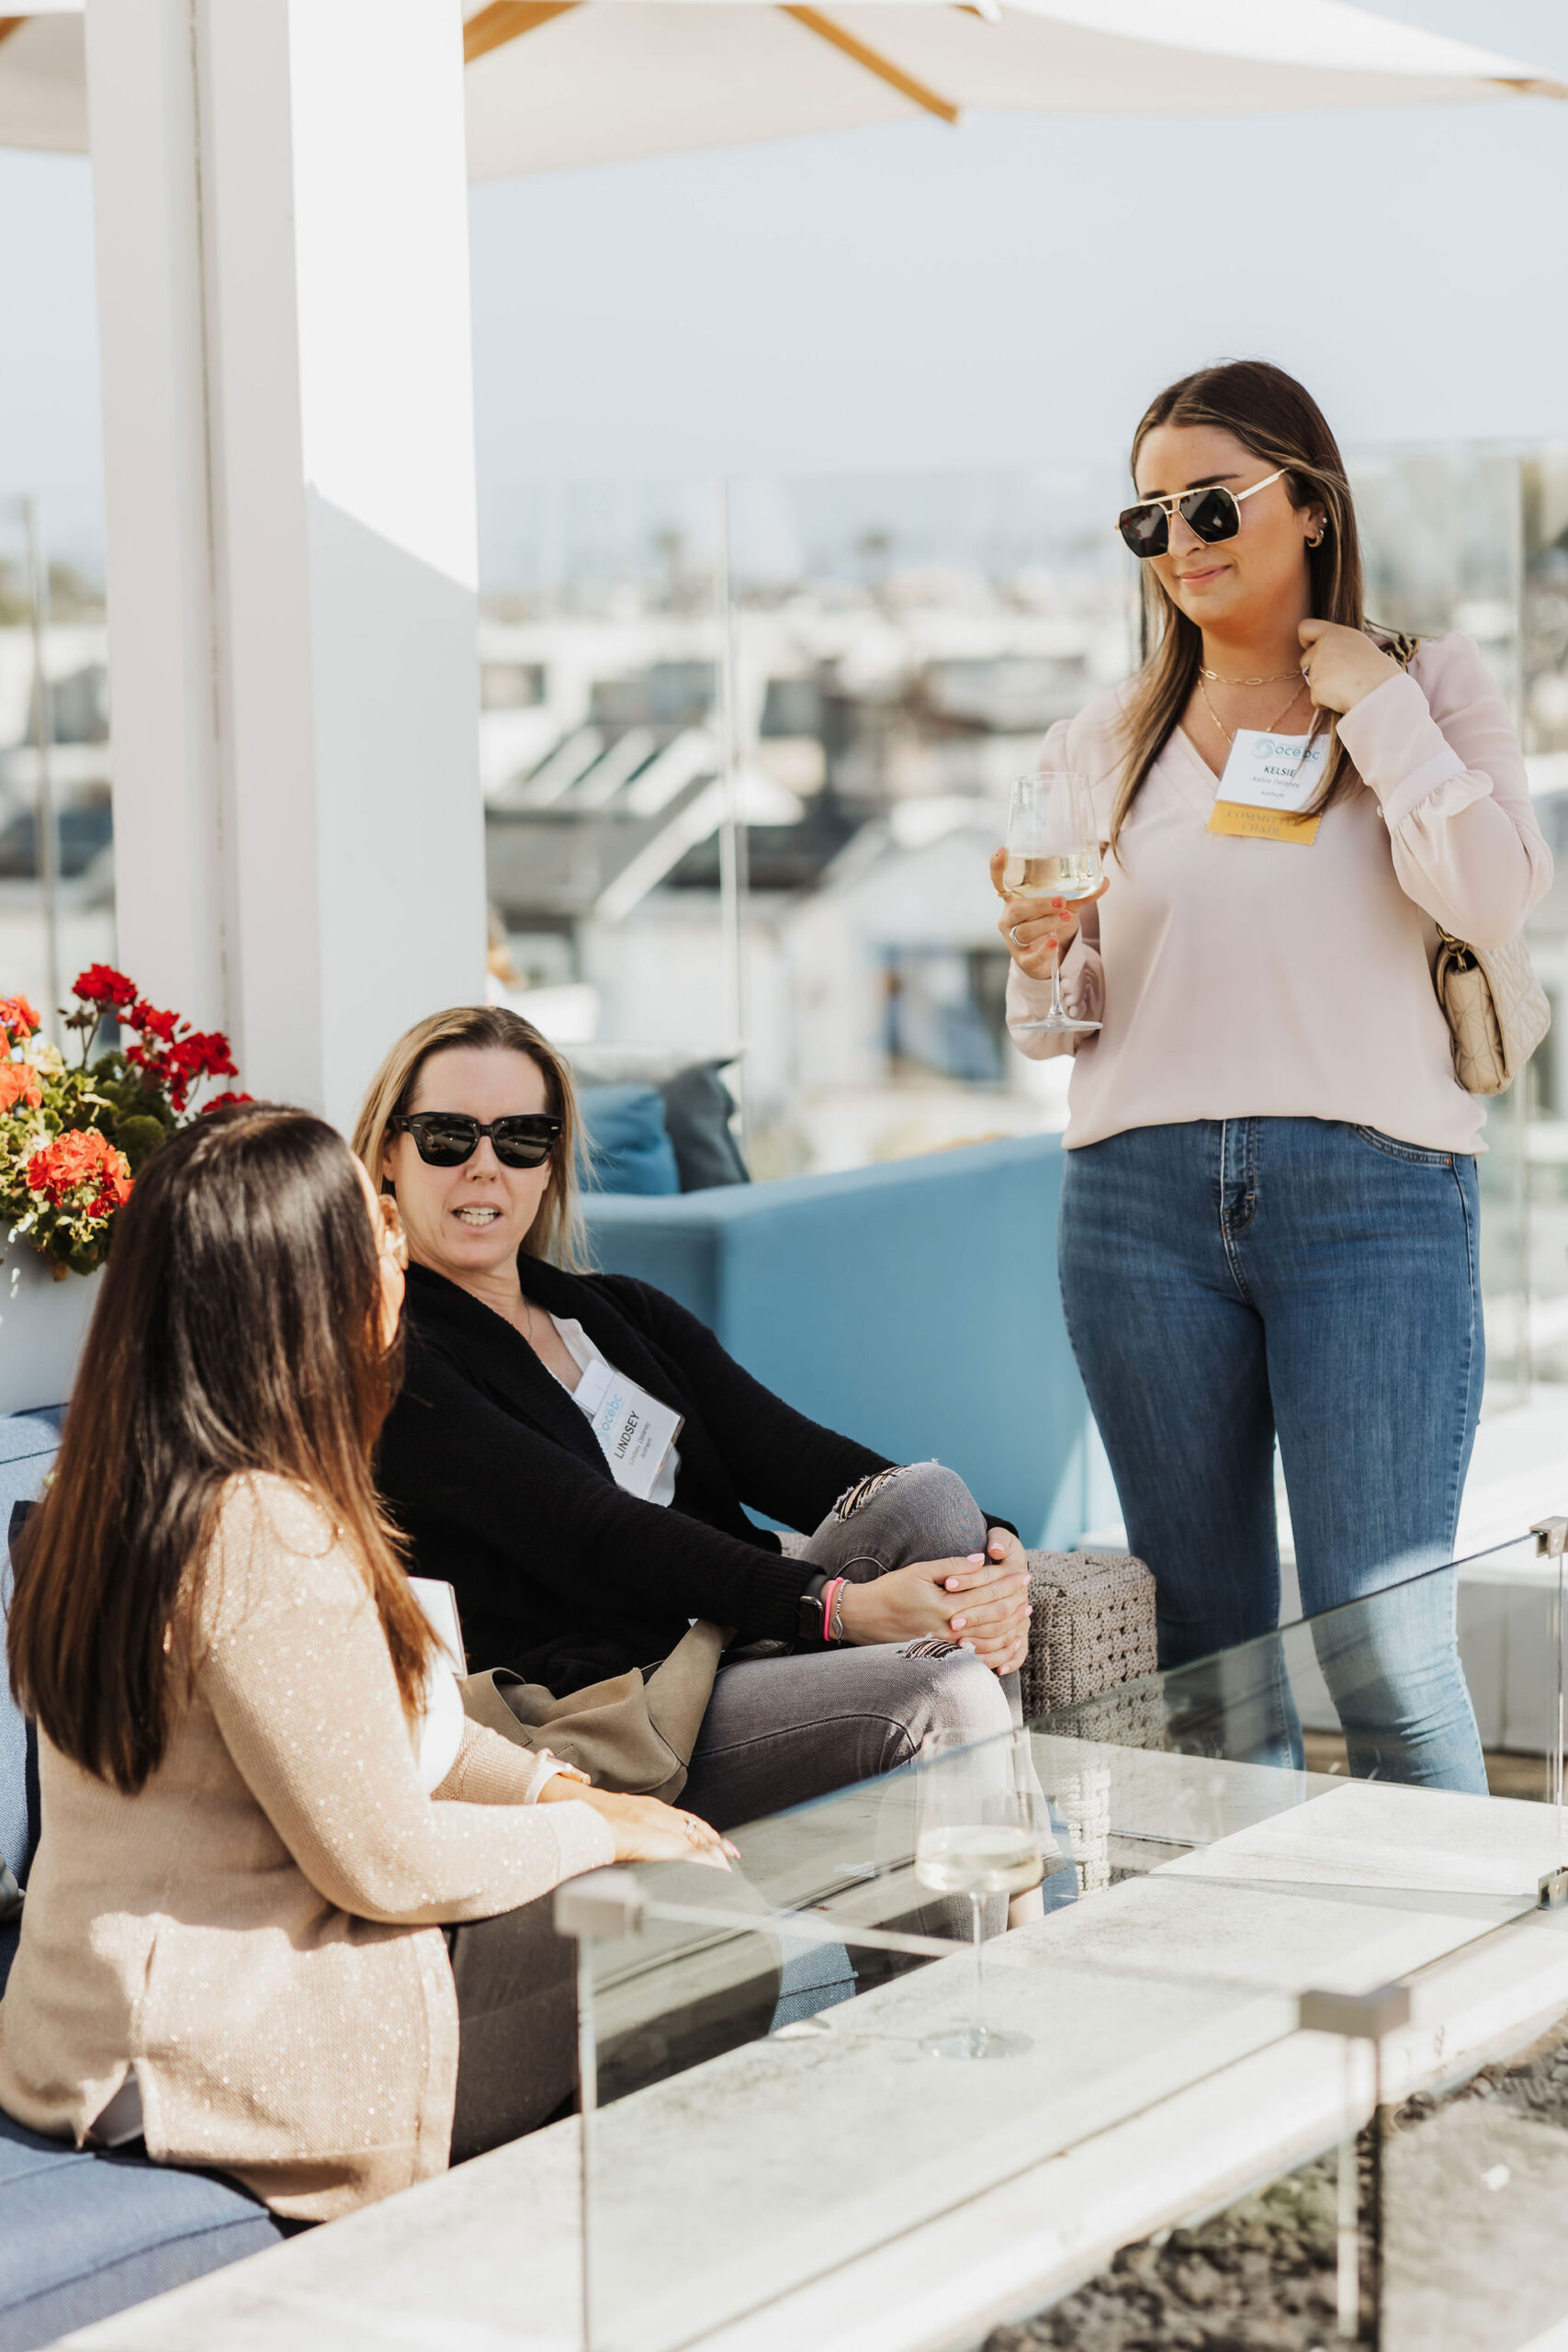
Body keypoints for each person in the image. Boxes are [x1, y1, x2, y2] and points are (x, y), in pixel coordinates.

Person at [0, 1106, 732, 2223]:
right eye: (375, 1227)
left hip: (117, 2023)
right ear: (313, 1290)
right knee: (694, 1923)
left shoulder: (143, 1487)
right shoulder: (258, 1530)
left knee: (660, 1895)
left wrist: (563, 1792)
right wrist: (606, 1835)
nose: (398, 1245)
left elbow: (402, 1730)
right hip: (201, 2048)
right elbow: (385, 1860)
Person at [995, 359, 1551, 1793]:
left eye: (1208, 502)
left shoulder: (1427, 684)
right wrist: (1041, 958)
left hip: (1370, 1198)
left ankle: (1449, 1945)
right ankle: (1244, 1925)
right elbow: (1054, 1028)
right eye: (1147, 519)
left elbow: (1490, 897)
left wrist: (1373, 704)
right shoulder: (1096, 740)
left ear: (1306, 504)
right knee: (1205, 1656)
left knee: (1386, 1651)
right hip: (1134, 1210)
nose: (1176, 541)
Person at [357, 1008, 1032, 1835]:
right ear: (389, 1153)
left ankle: (994, 1877)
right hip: (617, 1699)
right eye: (447, 1137)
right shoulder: (392, 1357)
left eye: (521, 1138)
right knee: (947, 1690)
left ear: (550, 1162)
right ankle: (1009, 1892)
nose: (484, 1167)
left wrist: (995, 1550)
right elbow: (594, 1530)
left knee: (930, 1497)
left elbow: (799, 1458)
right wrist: (834, 1608)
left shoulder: (615, 1313)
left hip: (720, 1641)